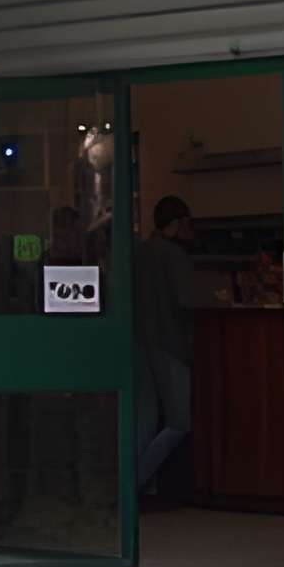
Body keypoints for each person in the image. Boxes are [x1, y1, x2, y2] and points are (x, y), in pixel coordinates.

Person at [132, 197, 195, 501]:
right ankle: (135, 482)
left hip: (140, 343)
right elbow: (187, 301)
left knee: (146, 420)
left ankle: (143, 486)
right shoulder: (175, 256)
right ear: (178, 223)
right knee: (179, 421)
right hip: (170, 344)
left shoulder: (140, 252)